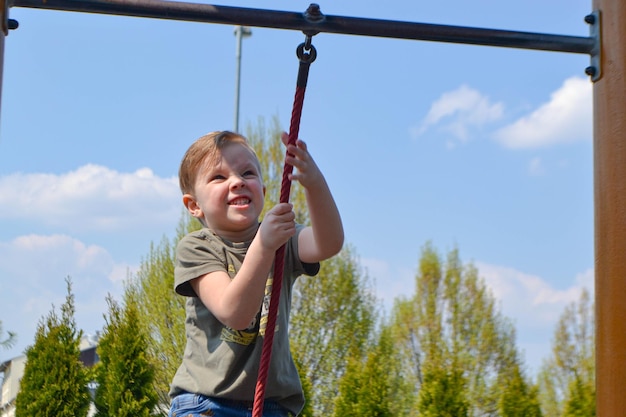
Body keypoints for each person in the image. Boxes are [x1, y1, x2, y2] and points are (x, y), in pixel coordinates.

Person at [168, 130, 344, 417]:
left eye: (247, 173)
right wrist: (264, 245)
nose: (237, 181)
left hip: (272, 405)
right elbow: (235, 313)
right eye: (219, 177)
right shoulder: (197, 248)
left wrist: (315, 184)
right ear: (194, 205)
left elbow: (329, 242)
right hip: (207, 403)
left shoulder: (282, 240)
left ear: (262, 192)